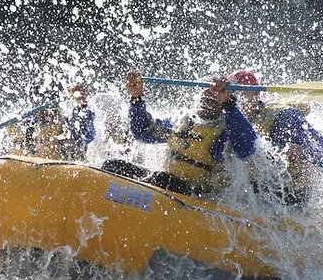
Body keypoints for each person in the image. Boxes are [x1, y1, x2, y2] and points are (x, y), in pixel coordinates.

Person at [102, 70, 257, 197]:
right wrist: (136, 98)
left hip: (197, 196)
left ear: (222, 104)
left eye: (214, 100)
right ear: (199, 97)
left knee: (161, 178)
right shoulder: (181, 120)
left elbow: (246, 149)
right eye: (205, 97)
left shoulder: (224, 131)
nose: (208, 103)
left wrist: (229, 106)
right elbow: (143, 132)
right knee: (112, 165)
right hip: (164, 185)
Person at [226, 69, 323, 204]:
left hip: (292, 193)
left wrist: (305, 151)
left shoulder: (283, 119)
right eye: (232, 95)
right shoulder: (228, 115)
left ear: (255, 94)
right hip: (255, 190)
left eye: (240, 93)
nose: (236, 100)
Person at [0, 81, 95, 162]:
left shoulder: (66, 125)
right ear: (33, 103)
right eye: (40, 103)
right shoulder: (20, 126)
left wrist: (81, 102)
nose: (47, 113)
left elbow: (87, 134)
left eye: (51, 108)